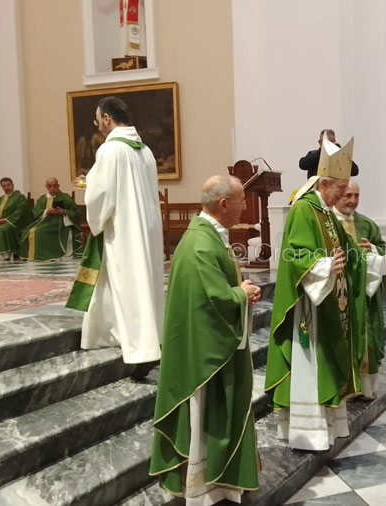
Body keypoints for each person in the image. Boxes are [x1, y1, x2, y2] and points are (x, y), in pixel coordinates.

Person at [149, 175, 261, 504]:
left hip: (206, 345)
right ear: (224, 204)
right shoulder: (200, 243)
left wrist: (238, 291)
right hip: (201, 355)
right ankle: (203, 486)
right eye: (241, 200)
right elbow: (212, 299)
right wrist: (239, 294)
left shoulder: (208, 236)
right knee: (203, 417)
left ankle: (216, 481)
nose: (245, 205)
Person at [265, 137, 382, 451]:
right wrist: (325, 266)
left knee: (330, 363)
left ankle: (330, 424)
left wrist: (363, 258)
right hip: (310, 308)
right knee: (312, 364)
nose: (344, 196)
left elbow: (345, 252)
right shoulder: (304, 209)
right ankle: (307, 431)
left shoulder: (327, 212)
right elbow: (294, 256)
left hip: (332, 303)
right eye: (341, 190)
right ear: (326, 183)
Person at [68, 96, 164, 379]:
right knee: (131, 284)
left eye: (98, 121)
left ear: (107, 118)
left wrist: (96, 220)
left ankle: (141, 351)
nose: (97, 126)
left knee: (128, 286)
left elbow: (100, 194)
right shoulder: (144, 150)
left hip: (123, 229)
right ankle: (112, 334)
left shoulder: (111, 151)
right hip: (145, 229)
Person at [333, 180, 386, 400]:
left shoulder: (367, 224)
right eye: (347, 195)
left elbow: (383, 250)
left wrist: (373, 249)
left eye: (356, 196)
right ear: (337, 195)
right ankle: (345, 388)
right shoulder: (327, 223)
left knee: (366, 337)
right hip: (340, 292)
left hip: (365, 295)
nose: (353, 201)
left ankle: (365, 388)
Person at [19, 177, 82, 261]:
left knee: (40, 231)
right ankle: (38, 255)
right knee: (29, 231)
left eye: (55, 185)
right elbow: (35, 212)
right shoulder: (42, 199)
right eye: (50, 186)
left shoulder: (65, 197)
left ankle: (50, 255)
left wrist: (64, 211)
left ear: (58, 186)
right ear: (46, 187)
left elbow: (76, 212)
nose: (52, 188)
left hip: (59, 223)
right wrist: (46, 211)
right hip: (43, 222)